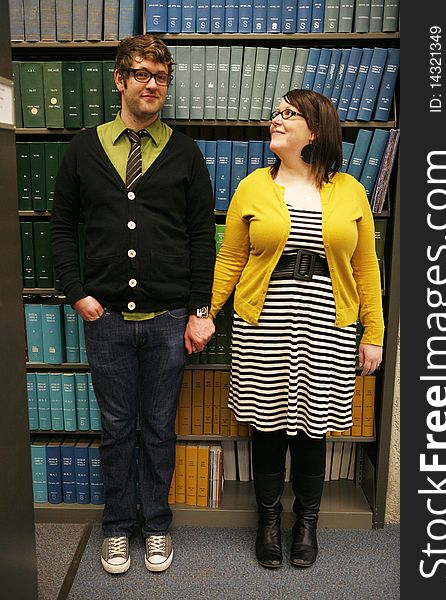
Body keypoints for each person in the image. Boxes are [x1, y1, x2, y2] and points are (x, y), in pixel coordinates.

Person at [50, 35, 215, 575]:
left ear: (167, 85)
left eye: (160, 77)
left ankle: (158, 526)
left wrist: (198, 308)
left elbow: (199, 237)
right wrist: (76, 293)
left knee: (160, 428)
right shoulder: (83, 148)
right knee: (118, 428)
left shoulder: (185, 152)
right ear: (119, 80)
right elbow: (60, 230)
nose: (151, 84)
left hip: (170, 321)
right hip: (107, 321)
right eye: (141, 74)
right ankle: (118, 526)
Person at [209, 89, 384, 569]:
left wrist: (374, 333)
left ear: (316, 129)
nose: (276, 120)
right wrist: (207, 311)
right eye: (276, 113)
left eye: (289, 114)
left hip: (328, 321)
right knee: (267, 426)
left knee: (314, 428)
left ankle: (306, 524)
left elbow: (367, 267)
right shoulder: (251, 187)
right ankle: (267, 523)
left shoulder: (351, 190)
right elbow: (231, 257)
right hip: (263, 320)